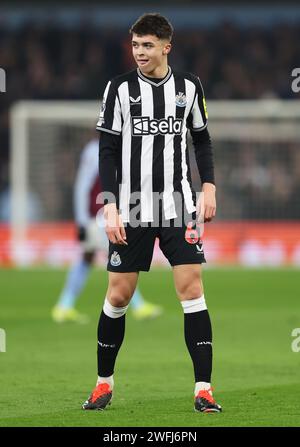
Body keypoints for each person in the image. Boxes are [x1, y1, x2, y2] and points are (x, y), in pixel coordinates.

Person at [82, 13, 222, 413]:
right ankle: (103, 385)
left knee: (192, 291)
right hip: (133, 205)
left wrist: (208, 186)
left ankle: (204, 389)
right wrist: (109, 205)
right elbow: (106, 150)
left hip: (179, 203)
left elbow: (202, 139)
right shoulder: (119, 89)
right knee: (118, 295)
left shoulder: (189, 87)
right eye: (135, 45)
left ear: (166, 47)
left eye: (147, 45)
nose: (139, 52)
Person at [52, 137, 163, 323]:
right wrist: (81, 220)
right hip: (98, 215)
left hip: (104, 213)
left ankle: (64, 305)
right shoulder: (94, 149)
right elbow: (83, 184)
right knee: (119, 255)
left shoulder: (121, 147)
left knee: (88, 257)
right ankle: (139, 305)